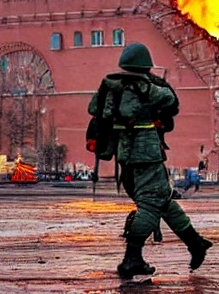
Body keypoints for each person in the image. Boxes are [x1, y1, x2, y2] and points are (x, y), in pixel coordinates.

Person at [88, 42, 212, 280]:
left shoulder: (110, 85)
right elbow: (169, 99)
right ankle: (132, 259)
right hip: (146, 153)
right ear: (145, 65)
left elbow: (93, 107)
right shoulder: (145, 86)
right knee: (151, 204)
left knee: (163, 199)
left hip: (124, 151)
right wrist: (153, 87)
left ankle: (195, 243)